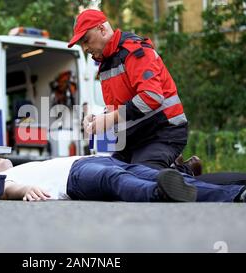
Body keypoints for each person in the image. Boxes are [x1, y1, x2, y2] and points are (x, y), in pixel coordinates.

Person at [68, 9, 198, 175]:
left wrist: (108, 119)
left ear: (102, 29)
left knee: (140, 178)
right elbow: (120, 107)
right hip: (133, 139)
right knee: (107, 177)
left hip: (162, 133)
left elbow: (151, 97)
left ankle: (185, 170)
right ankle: (174, 167)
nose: (85, 47)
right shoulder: (106, 63)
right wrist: (98, 118)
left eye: (86, 40)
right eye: (81, 44)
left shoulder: (135, 51)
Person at [0, 156, 246, 203]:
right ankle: (159, 195)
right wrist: (24, 189)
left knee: (161, 174)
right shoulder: (1, 179)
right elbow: (6, 190)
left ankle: (242, 193)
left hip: (92, 159)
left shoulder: (22, 162)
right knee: (113, 179)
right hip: (76, 177)